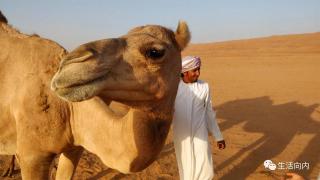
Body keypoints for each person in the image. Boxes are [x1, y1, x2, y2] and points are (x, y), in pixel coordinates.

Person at [173, 56, 226, 180]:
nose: (198, 73)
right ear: (185, 72)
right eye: (195, 70)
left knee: (205, 168)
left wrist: (218, 136)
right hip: (182, 135)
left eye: (199, 69)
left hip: (200, 132)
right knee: (186, 169)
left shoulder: (204, 86)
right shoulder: (174, 87)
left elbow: (209, 112)